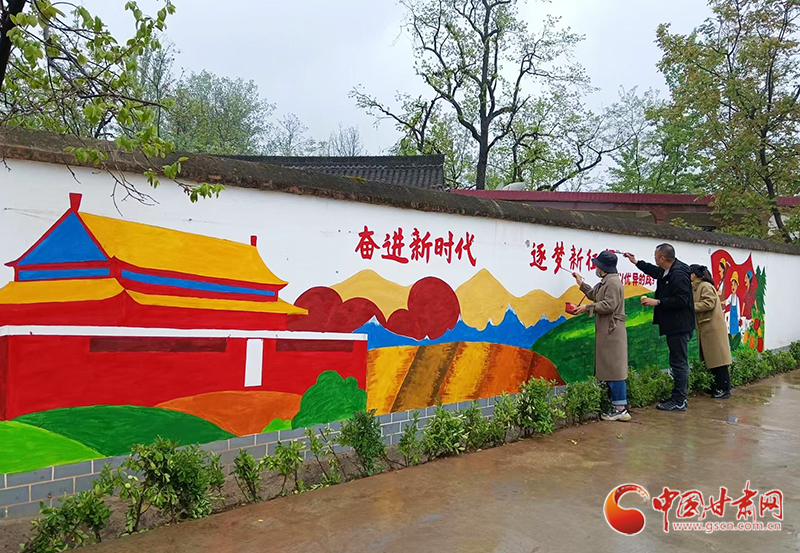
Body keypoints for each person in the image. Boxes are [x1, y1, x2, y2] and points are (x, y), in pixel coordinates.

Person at [624, 244, 695, 412]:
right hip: (674, 325)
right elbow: (655, 272)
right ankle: (678, 396)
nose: (654, 258)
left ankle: (679, 400)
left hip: (679, 325)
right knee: (676, 361)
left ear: (662, 258)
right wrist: (636, 262)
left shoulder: (678, 274)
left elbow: (682, 300)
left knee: (679, 363)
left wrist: (657, 302)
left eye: (656, 256)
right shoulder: (668, 270)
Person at [571, 250, 630, 421]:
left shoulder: (612, 283)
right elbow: (595, 295)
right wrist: (581, 283)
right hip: (608, 332)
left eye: (597, 265)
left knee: (615, 371)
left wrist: (586, 308)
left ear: (602, 267)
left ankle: (620, 409)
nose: (595, 268)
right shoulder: (607, 281)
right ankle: (617, 406)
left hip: (612, 331)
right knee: (610, 368)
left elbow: (609, 305)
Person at [690, 264, 732, 399]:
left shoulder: (705, 286)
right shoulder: (697, 287)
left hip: (713, 329)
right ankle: (717, 387)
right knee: (712, 361)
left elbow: (709, 303)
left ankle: (725, 389)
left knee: (719, 361)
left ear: (693, 275)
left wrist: (690, 306)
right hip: (706, 328)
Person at [725, 271, 741, 337]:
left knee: (735, 331)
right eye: (732, 284)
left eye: (734, 285)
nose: (733, 286)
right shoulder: (731, 296)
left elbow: (738, 309)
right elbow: (726, 302)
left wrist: (738, 317)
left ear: (737, 286)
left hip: (735, 318)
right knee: (731, 330)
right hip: (731, 318)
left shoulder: (737, 298)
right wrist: (719, 302)